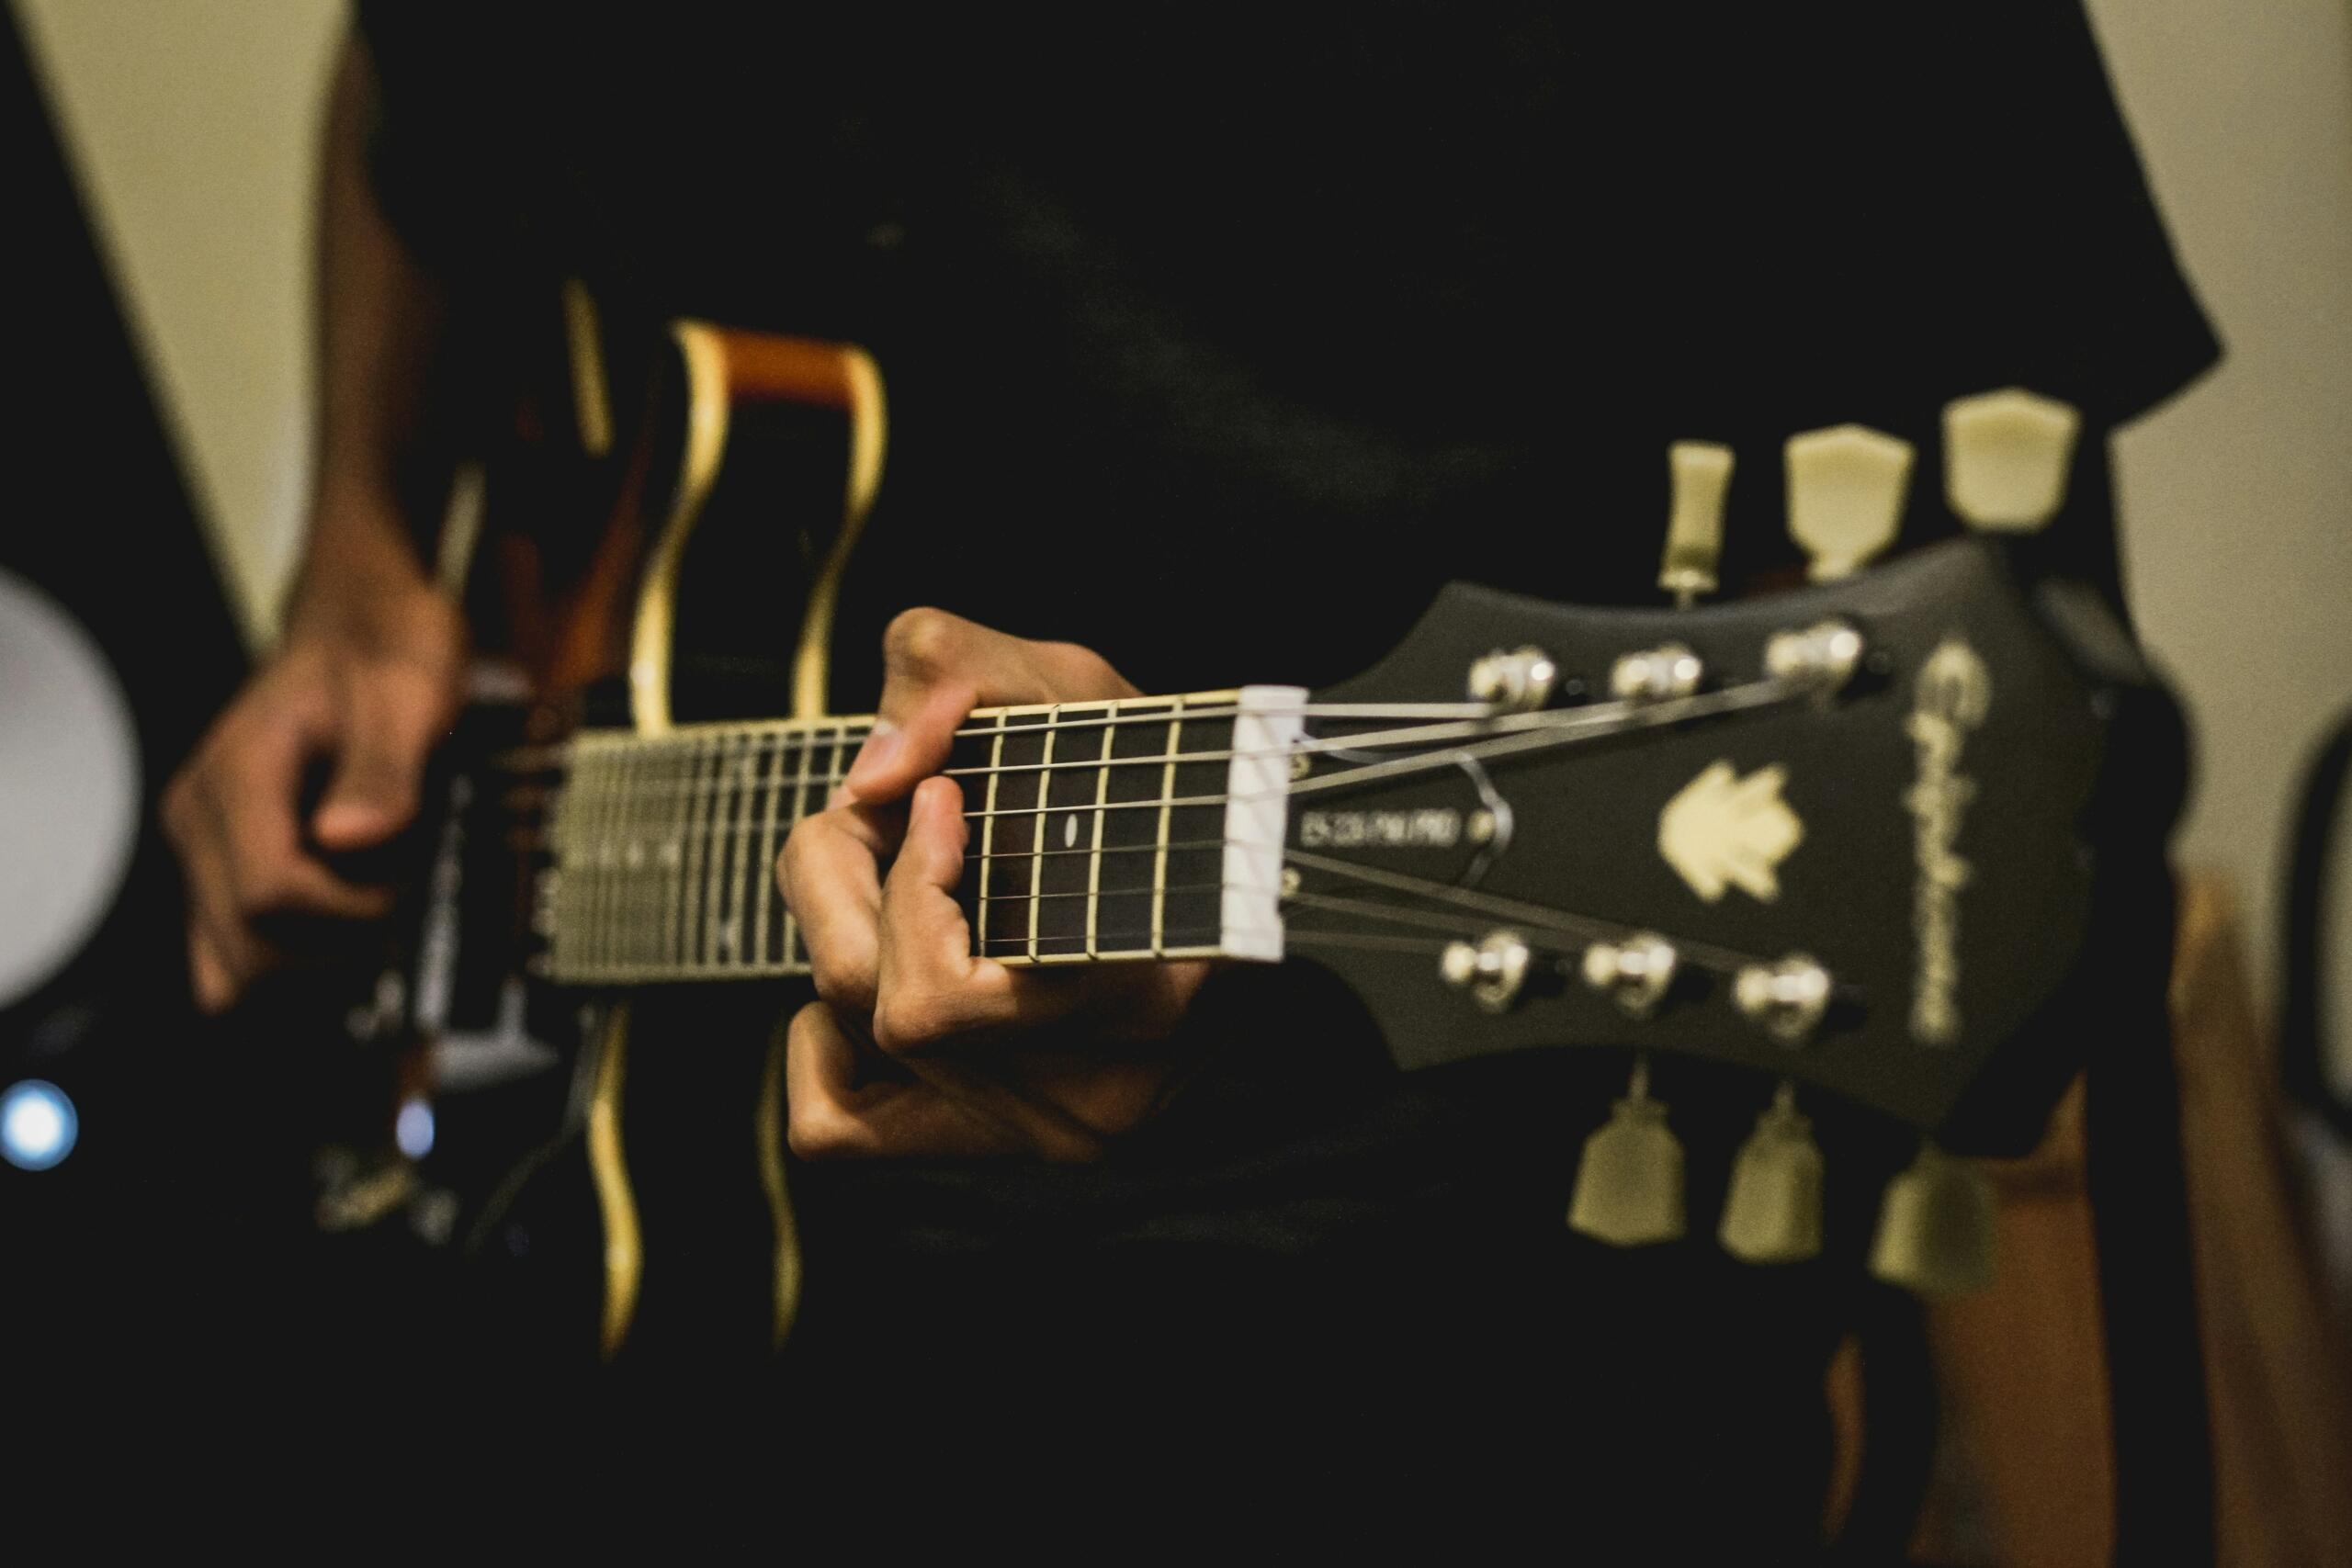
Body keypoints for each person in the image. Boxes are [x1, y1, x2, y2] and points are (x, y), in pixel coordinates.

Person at [164, 3, 2216, 1547]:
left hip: (1416, 1383)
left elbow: (1954, 620)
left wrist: (1235, 979)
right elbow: (417, 81)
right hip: (601, 1354)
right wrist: (348, 552)